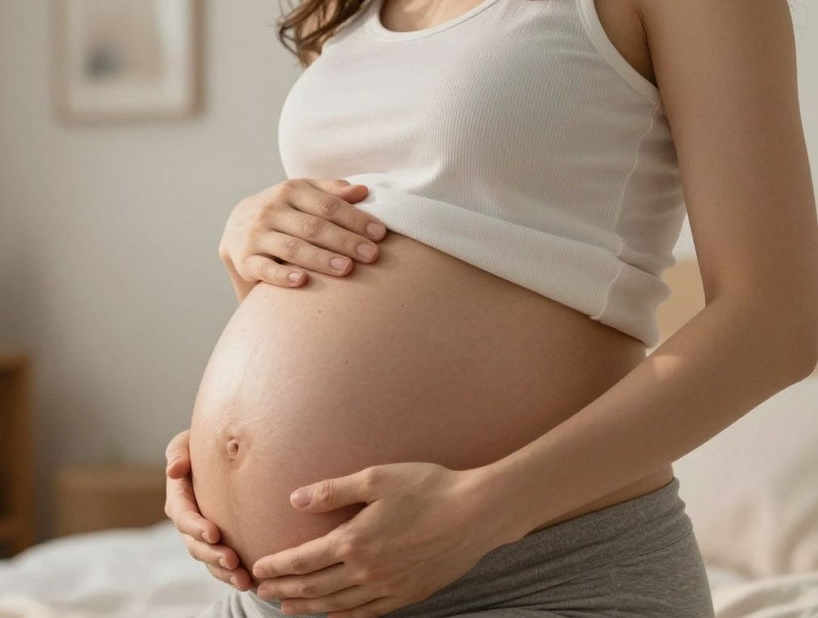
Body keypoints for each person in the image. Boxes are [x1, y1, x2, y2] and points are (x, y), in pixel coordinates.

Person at [166, 0, 817, 616]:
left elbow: (779, 317)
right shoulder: (352, 12)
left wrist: (484, 513)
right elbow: (406, 235)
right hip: (274, 593)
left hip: (535, 575)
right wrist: (251, 246)